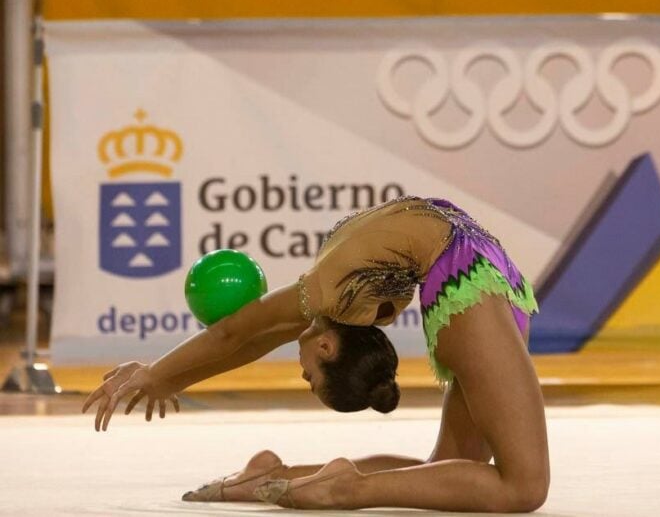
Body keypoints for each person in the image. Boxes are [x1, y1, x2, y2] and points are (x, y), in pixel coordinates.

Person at [83, 196, 549, 513]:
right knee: (498, 481)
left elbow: (236, 335)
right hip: (476, 275)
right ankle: (323, 483)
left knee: (500, 480)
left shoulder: (327, 292)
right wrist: (168, 379)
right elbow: (252, 338)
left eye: (308, 379)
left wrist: (157, 374)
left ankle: (311, 482)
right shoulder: (338, 301)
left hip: (469, 276)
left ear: (326, 345)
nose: (301, 371)